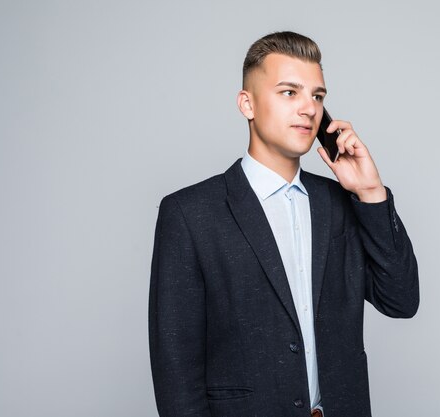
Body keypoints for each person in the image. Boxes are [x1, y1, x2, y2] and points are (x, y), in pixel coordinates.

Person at [149, 31, 419, 417]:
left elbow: (402, 300)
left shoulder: (342, 204)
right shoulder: (190, 214)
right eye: (289, 92)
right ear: (247, 104)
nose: (309, 108)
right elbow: (176, 367)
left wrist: (371, 192)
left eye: (317, 96)